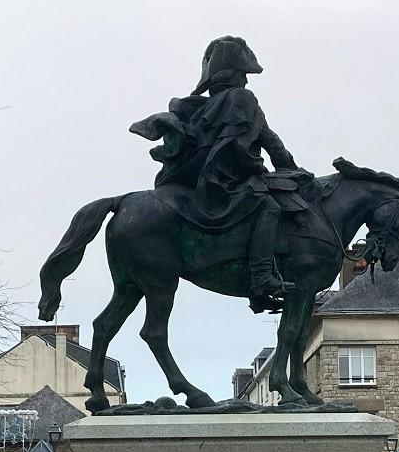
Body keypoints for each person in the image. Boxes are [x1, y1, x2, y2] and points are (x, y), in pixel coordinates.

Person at [131, 36, 307, 313]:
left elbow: (266, 138)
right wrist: (282, 169)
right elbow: (250, 141)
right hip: (225, 180)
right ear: (234, 74)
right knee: (269, 206)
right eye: (244, 74)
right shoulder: (242, 98)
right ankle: (262, 275)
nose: (247, 81)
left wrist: (288, 166)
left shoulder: (208, 104)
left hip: (206, 178)